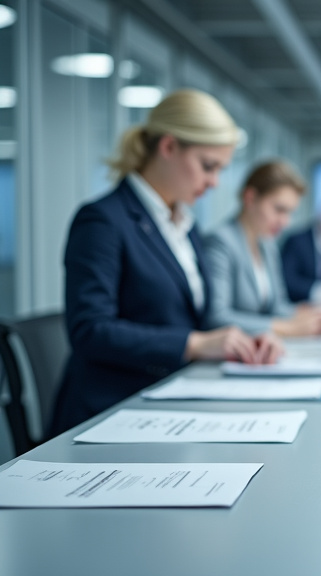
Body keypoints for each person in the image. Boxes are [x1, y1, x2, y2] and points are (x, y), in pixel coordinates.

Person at [52, 89, 284, 435]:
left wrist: (249, 338)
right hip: (111, 411)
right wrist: (193, 344)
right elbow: (90, 330)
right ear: (169, 147)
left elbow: (195, 316)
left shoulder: (184, 226)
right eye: (208, 166)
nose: (214, 182)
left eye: (221, 169)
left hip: (170, 401)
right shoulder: (103, 220)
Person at [204, 160, 321, 337]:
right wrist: (287, 328)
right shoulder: (221, 242)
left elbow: (276, 306)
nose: (285, 222)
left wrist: (304, 315)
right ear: (250, 198)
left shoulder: (267, 245)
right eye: (279, 209)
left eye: (290, 213)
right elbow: (217, 318)